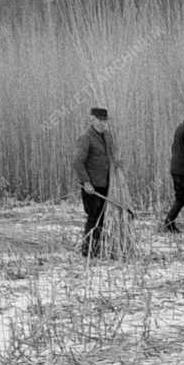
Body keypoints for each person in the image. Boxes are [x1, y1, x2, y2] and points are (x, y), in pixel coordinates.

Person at [72, 106, 113, 257]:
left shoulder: (107, 136)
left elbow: (111, 155)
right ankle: (88, 250)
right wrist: (86, 182)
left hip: (105, 185)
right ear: (92, 119)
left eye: (104, 121)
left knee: (101, 218)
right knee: (93, 217)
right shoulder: (86, 137)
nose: (102, 123)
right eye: (99, 120)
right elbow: (77, 162)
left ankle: (96, 249)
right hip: (92, 187)